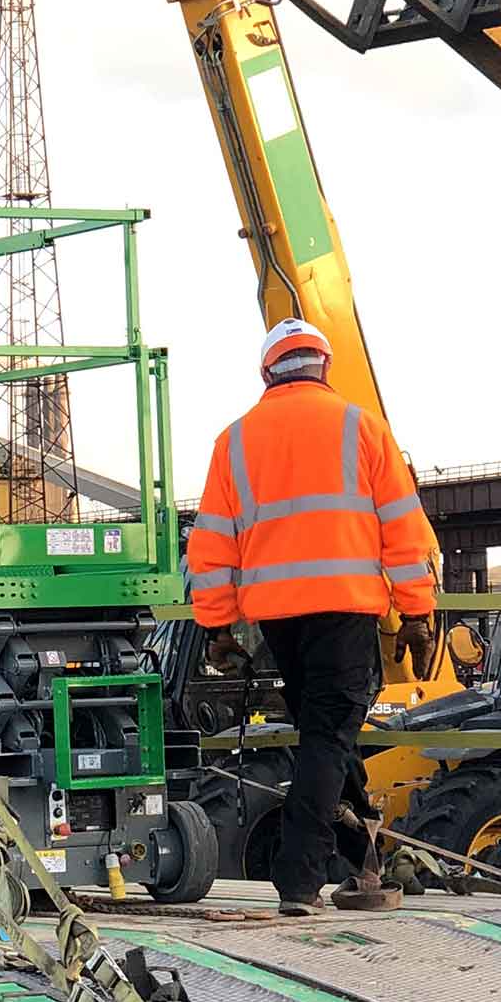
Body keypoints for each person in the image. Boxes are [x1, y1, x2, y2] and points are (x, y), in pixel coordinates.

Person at [187, 318, 439, 913]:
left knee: (328, 736)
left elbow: (212, 544)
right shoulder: (363, 429)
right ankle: (298, 879)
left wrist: (217, 625)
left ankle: (364, 861)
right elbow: (404, 535)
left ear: (266, 373)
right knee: (329, 736)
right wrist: (418, 615)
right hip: (346, 612)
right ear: (325, 367)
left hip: (279, 621)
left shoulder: (235, 441)